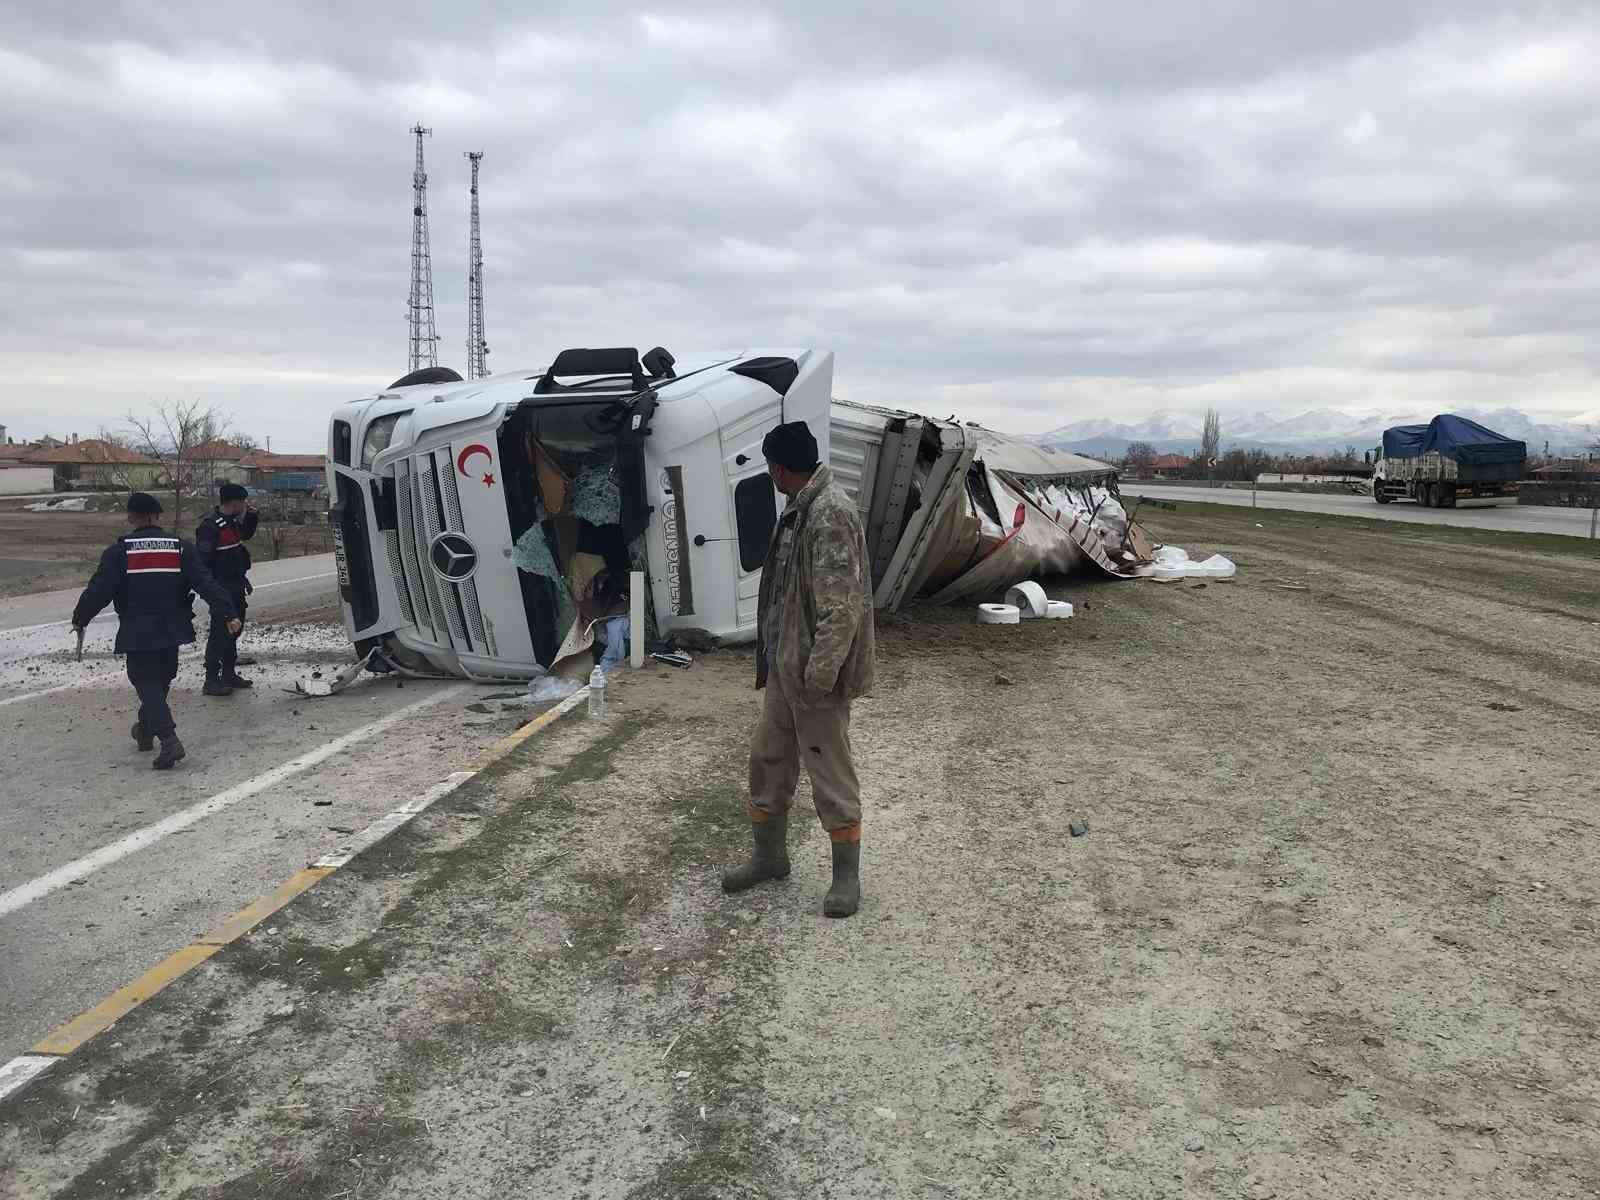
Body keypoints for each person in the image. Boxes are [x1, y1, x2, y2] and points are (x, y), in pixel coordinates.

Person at [722, 420, 876, 918]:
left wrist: (820, 676)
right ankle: (770, 859)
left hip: (813, 676)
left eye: (771, 469)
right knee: (767, 760)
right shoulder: (801, 508)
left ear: (779, 468)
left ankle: (846, 881)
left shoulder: (829, 513)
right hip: (787, 668)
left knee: (829, 772)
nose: (771, 476)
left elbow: (841, 607)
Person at [71, 493, 241, 770]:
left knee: (146, 682)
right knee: (160, 680)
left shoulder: (120, 552)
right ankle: (145, 730)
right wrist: (229, 612)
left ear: (131, 517)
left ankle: (169, 740)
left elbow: (99, 590)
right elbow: (206, 583)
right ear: (157, 516)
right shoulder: (180, 548)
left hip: (138, 628)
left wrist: (81, 618)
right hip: (174, 627)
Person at [195, 482, 258, 695]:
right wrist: (213, 591)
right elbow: (203, 562)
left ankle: (229, 673)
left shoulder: (230, 523)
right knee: (220, 633)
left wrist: (252, 517)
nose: (245, 505)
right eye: (243, 502)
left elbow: (244, 537)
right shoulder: (210, 526)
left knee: (234, 629)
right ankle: (211, 679)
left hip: (236, 584)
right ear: (234, 502)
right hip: (221, 588)